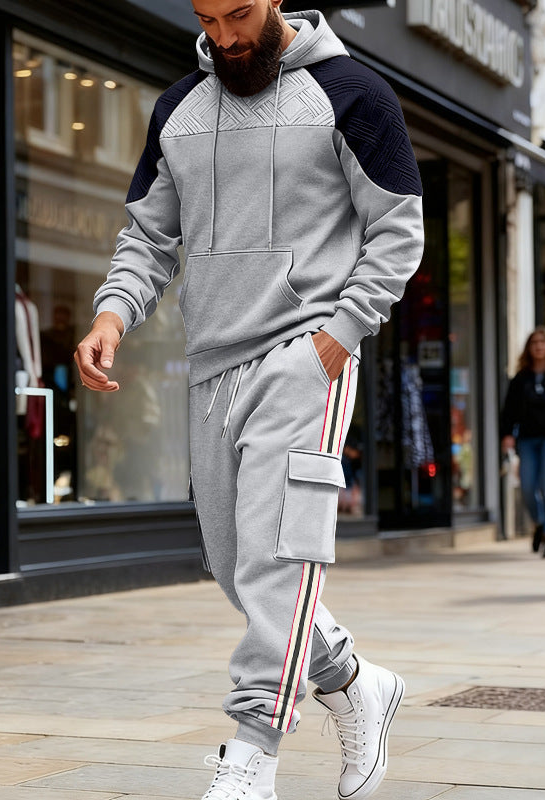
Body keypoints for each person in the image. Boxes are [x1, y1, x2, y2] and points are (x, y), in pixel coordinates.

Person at [74, 3, 424, 798]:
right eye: (207, 17)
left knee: (278, 560)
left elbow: (398, 230)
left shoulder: (352, 93)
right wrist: (111, 313)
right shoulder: (179, 108)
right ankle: (357, 684)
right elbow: (150, 235)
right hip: (210, 366)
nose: (225, 38)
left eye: (238, 15)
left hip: (305, 356)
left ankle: (251, 759)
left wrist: (335, 340)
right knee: (237, 567)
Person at [501, 327, 545, 557]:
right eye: (534, 343)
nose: (539, 346)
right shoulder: (521, 378)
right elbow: (509, 410)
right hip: (527, 438)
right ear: (529, 348)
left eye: (543, 342)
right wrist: (507, 435)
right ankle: (538, 522)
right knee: (527, 487)